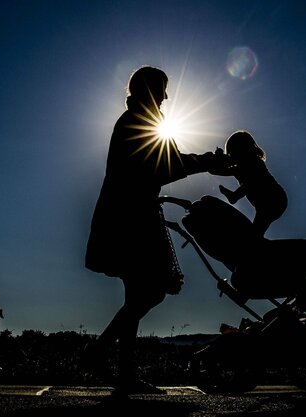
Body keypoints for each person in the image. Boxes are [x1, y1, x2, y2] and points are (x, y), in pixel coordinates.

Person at [84, 65, 230, 395]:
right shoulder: (139, 122)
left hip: (124, 215)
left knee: (138, 293)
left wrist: (205, 161)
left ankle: (119, 371)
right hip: (130, 220)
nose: (166, 96)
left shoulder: (135, 120)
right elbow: (166, 166)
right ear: (150, 90)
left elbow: (166, 163)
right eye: (162, 89)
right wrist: (209, 161)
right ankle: (100, 354)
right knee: (149, 292)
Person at [218, 130, 288, 237]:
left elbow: (252, 179)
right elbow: (221, 171)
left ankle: (234, 196)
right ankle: (257, 244)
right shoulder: (238, 169)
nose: (233, 156)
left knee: (252, 180)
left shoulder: (254, 162)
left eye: (235, 152)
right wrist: (217, 159)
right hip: (264, 205)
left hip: (274, 198)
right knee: (255, 233)